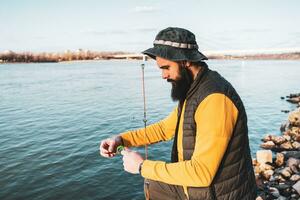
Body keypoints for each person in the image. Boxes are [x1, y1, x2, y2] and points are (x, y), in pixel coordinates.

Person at [99, 27, 257, 200]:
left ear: (186, 61)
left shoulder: (215, 99)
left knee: (150, 177)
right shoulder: (194, 89)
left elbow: (201, 173)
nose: (163, 75)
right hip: (197, 190)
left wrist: (142, 167)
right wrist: (121, 139)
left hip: (218, 194)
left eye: (166, 67)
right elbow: (164, 129)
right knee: (152, 184)